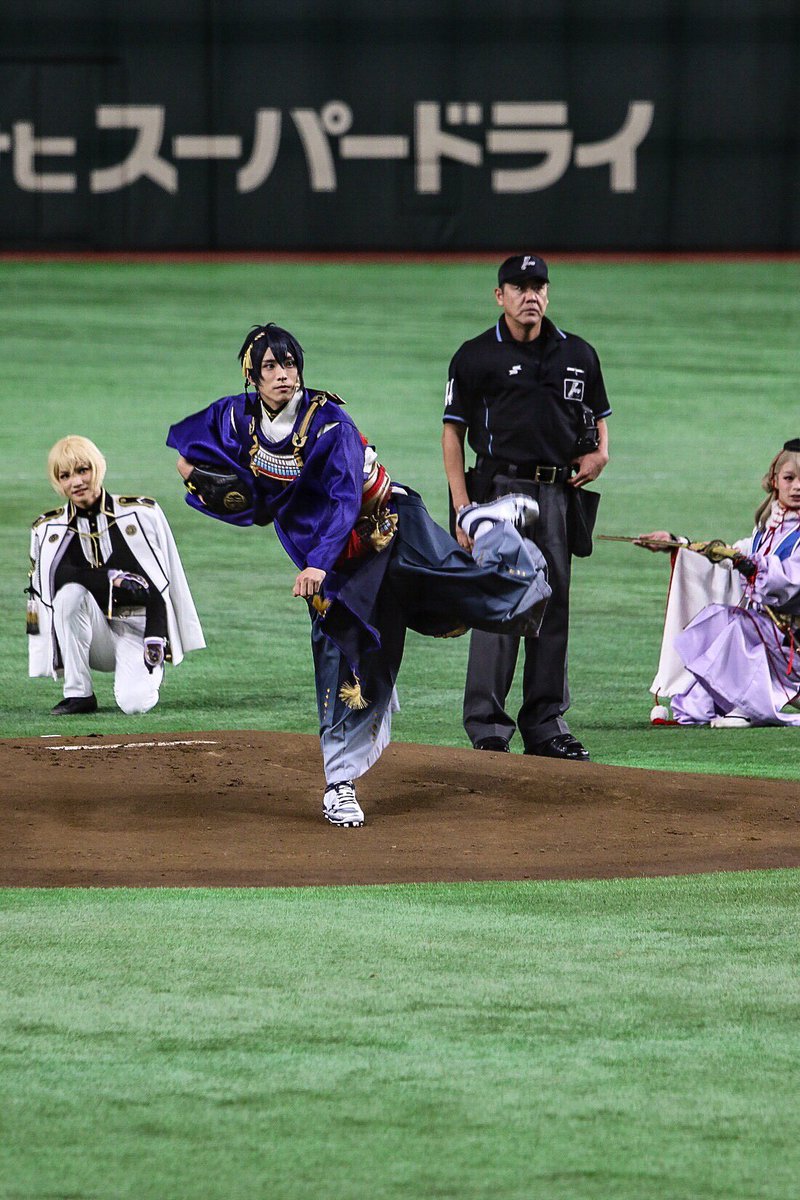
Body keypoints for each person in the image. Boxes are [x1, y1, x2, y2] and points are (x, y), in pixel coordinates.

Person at [166, 322, 552, 827]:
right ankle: (340, 784)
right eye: (270, 367)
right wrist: (197, 476)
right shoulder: (237, 419)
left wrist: (318, 564)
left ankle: (486, 527)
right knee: (343, 656)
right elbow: (186, 446)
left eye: (289, 364)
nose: (283, 375)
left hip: (392, 528)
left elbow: (344, 499)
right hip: (338, 565)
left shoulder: (330, 423)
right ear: (252, 377)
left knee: (483, 598)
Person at [442, 253, 611, 760]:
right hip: (497, 492)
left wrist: (601, 451)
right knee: (499, 602)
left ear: (547, 293)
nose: (530, 295)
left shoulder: (578, 353)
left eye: (538, 286)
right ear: (500, 296)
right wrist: (462, 508)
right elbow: (452, 434)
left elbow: (598, 414)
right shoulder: (476, 356)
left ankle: (545, 724)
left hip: (558, 494)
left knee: (552, 605)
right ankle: (488, 726)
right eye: (518, 287)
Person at [27, 436, 205, 715]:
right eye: (65, 475)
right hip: (92, 632)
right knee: (69, 595)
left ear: (98, 468)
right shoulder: (48, 530)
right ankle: (78, 693)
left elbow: (163, 582)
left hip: (139, 626)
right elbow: (54, 585)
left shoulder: (141, 514)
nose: (76, 482)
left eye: (83, 470)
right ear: (57, 482)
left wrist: (156, 635)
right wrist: (111, 579)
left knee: (135, 704)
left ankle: (144, 673)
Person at [637, 439, 800, 726]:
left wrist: (749, 565)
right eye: (789, 478)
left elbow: (789, 578)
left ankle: (747, 707)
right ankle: (725, 704)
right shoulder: (767, 529)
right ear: (775, 481)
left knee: (735, 626)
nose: (797, 487)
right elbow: (734, 556)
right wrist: (677, 543)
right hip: (773, 637)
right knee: (716, 622)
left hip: (792, 644)